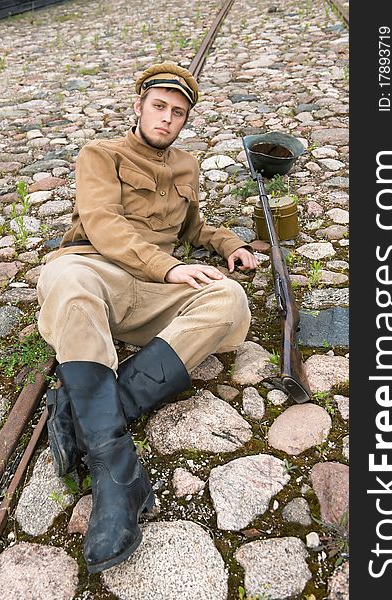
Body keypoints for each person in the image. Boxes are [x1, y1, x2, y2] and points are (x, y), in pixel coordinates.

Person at [36, 61, 257, 573]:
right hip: (99, 274)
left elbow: (195, 226)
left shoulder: (185, 165)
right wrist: (171, 267)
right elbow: (101, 222)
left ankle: (84, 412)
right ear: (138, 107)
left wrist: (229, 245)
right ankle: (117, 469)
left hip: (155, 290)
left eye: (177, 113)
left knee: (229, 301)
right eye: (159, 107)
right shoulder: (101, 155)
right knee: (67, 283)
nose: (166, 119)